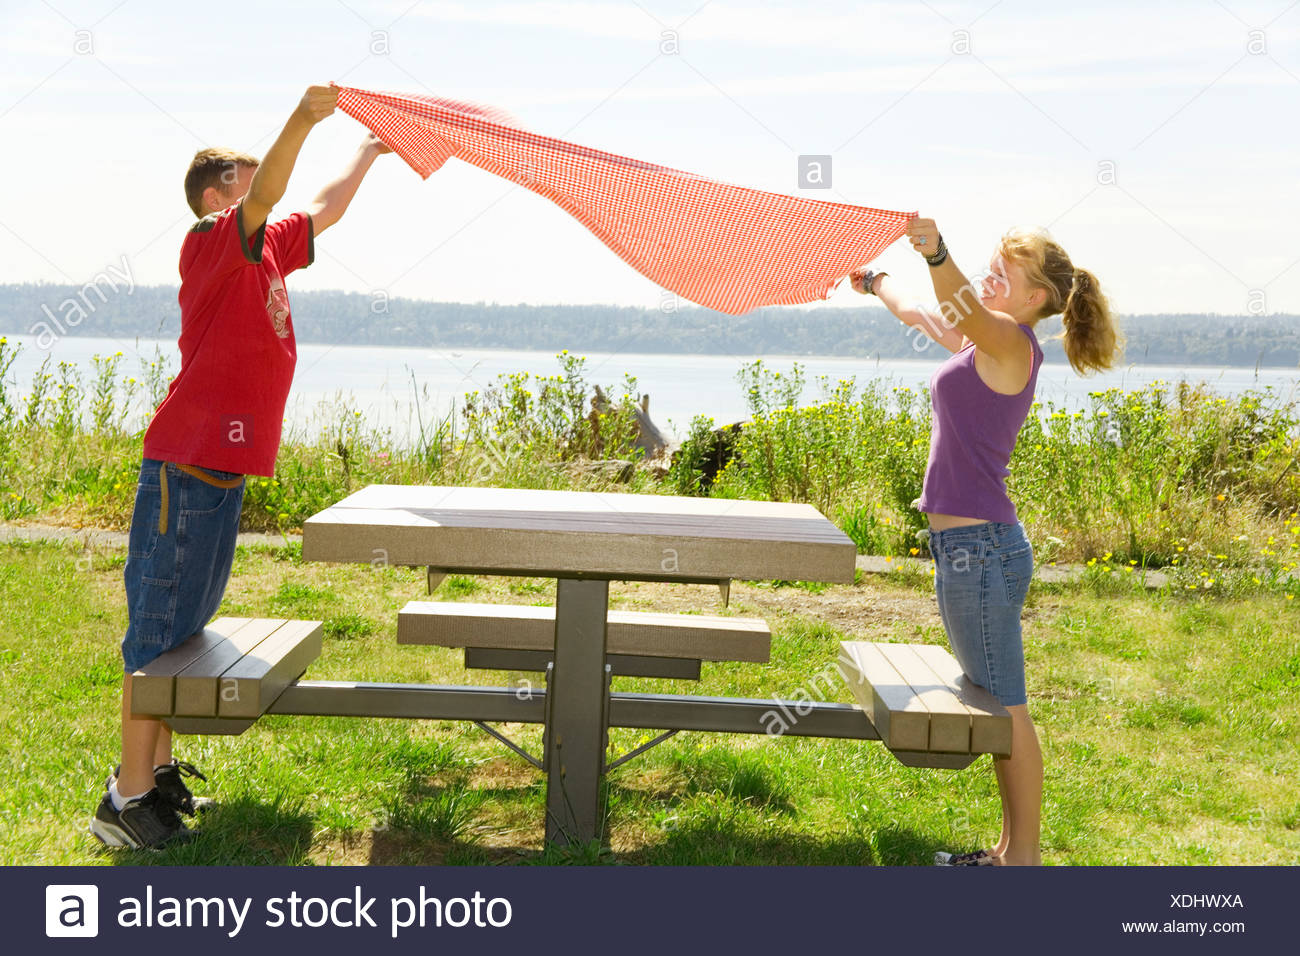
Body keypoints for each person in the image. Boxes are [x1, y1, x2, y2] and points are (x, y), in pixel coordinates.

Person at [91, 85, 396, 848]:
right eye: (252, 179)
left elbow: (323, 209)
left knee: (183, 632)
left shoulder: (264, 252)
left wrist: (367, 150)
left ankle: (155, 778)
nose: (266, 187)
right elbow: (273, 192)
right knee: (155, 635)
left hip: (219, 476)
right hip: (186, 465)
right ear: (216, 194)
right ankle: (123, 802)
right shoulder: (212, 241)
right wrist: (305, 115)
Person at [851, 219, 1121, 866]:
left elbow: (960, 302)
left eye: (1006, 273)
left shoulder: (1013, 345)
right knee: (998, 703)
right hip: (967, 553)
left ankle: (1020, 862)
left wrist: (936, 250)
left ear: (1034, 299)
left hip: (982, 553)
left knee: (1008, 710)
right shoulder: (981, 345)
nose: (991, 277)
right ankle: (1005, 854)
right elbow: (922, 312)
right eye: (990, 266)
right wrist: (875, 281)